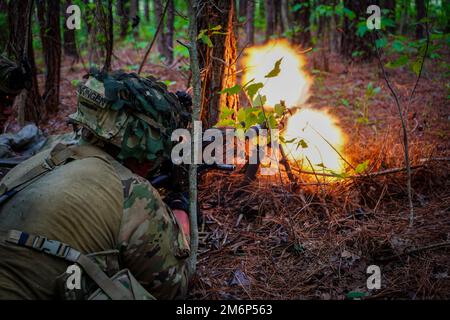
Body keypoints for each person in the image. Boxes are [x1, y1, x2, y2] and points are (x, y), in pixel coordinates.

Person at [0, 69, 192, 300]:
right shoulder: (133, 191)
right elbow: (172, 288)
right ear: (140, 140)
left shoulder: (44, 156)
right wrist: (180, 216)